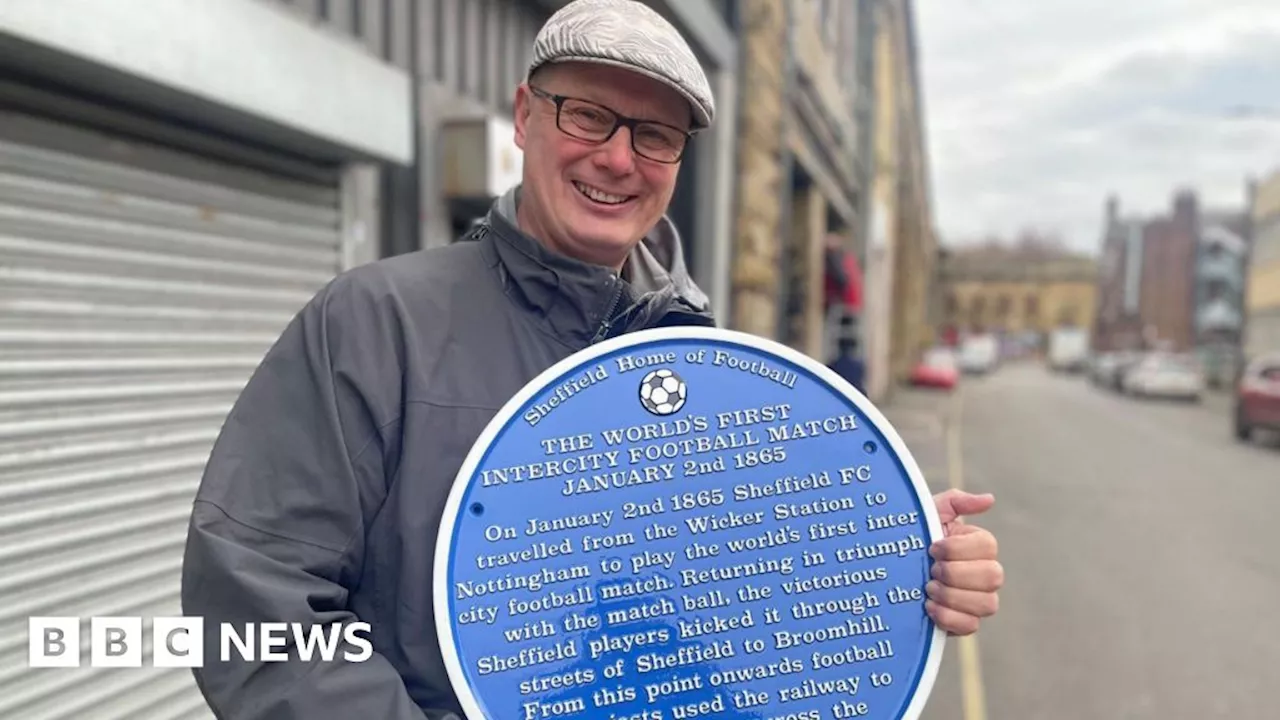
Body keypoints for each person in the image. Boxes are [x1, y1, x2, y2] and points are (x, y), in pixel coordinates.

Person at [180, 1, 1003, 717]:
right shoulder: (373, 324)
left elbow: (738, 591)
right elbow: (251, 610)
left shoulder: (712, 368)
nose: (618, 158)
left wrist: (891, 551)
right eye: (587, 116)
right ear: (525, 115)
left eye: (656, 136)